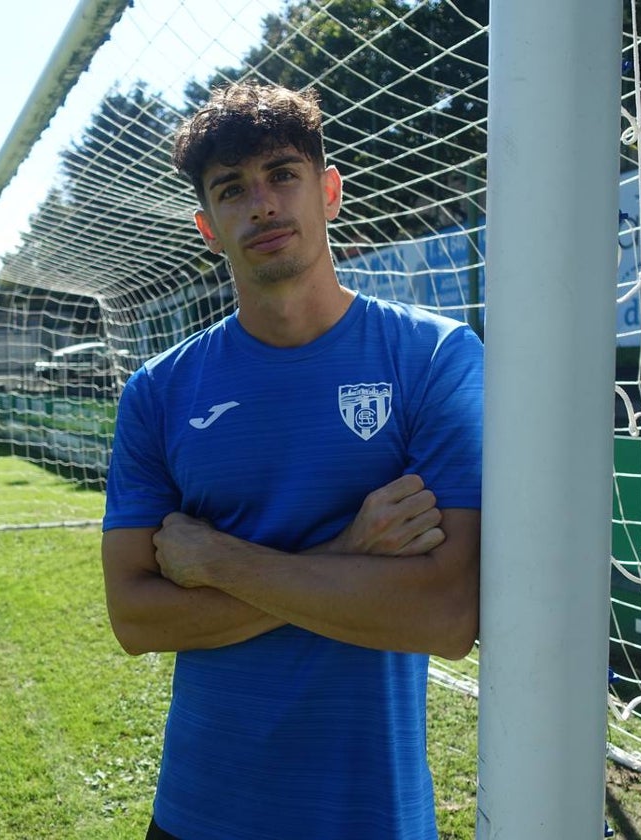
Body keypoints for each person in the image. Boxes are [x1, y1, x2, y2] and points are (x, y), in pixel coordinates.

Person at [101, 81, 483, 840]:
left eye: (282, 174)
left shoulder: (435, 358)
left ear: (329, 191)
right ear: (208, 227)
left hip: (370, 814)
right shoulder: (159, 391)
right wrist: (349, 551)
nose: (262, 205)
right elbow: (135, 617)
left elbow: (445, 614)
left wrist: (218, 560)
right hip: (198, 813)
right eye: (232, 189)